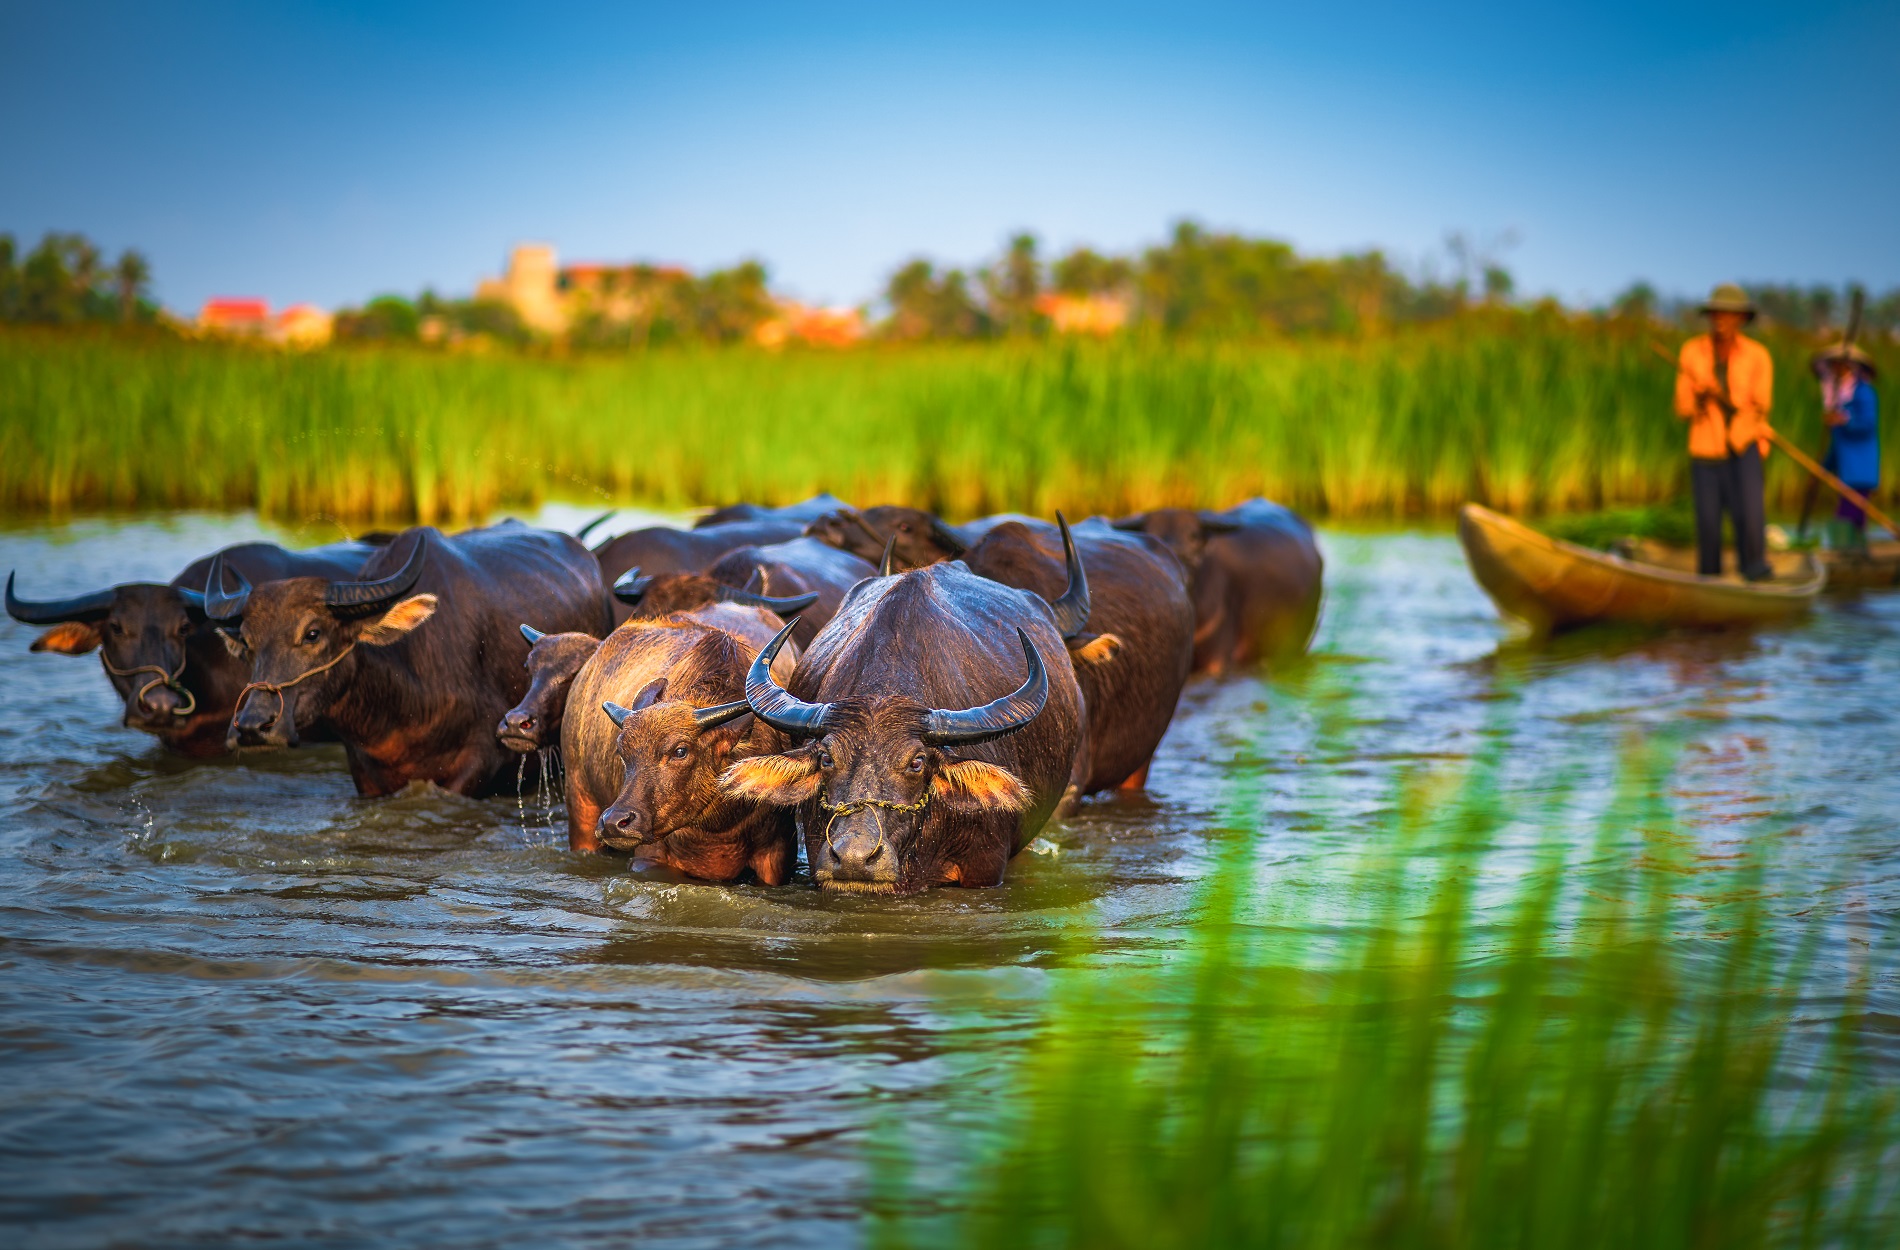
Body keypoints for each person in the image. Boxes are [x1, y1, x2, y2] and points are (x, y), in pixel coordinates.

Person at [1675, 283, 1774, 580]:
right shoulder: (1692, 352)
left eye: (1728, 314)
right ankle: (1710, 581)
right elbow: (1681, 407)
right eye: (1716, 313)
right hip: (1706, 449)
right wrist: (1701, 399)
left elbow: (1762, 404)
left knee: (1750, 518)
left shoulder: (1757, 356)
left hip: (1744, 446)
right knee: (1708, 522)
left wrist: (1731, 404)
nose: (1721, 319)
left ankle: (1753, 574)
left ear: (1741, 318)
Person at [1813, 342, 1881, 555]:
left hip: (1860, 467)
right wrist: (1823, 468)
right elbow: (1836, 443)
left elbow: (1867, 425)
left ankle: (1853, 554)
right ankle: (1850, 552)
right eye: (1834, 365)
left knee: (1850, 514)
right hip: (1846, 470)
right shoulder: (1837, 397)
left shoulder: (1863, 392)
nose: (1837, 369)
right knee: (1848, 514)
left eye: (1841, 365)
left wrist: (1844, 420)